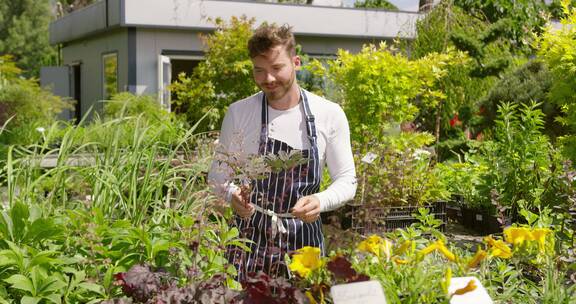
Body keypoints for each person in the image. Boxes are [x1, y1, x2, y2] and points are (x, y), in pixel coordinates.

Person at [208, 23, 356, 280]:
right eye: (259, 70)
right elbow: (217, 176)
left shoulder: (328, 114)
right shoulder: (240, 113)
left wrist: (321, 201)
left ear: (296, 62)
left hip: (304, 244)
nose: (268, 79)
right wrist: (232, 195)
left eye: (277, 68)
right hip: (248, 241)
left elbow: (347, 179)